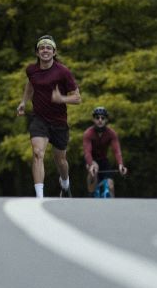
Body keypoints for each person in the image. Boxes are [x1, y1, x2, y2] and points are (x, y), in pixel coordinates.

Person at [16, 35, 81, 198]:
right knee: (37, 153)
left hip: (59, 122)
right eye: (42, 48)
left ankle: (65, 183)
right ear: (37, 53)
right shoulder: (31, 70)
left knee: (61, 161)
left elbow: (78, 98)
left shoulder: (63, 72)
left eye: (48, 48)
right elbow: (31, 84)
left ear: (54, 52)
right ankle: (39, 197)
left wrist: (62, 99)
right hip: (39, 119)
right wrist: (24, 101)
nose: (45, 50)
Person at [83, 107, 127, 197]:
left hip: (104, 160)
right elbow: (87, 152)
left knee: (110, 186)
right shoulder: (88, 133)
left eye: (102, 118)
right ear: (93, 119)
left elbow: (117, 151)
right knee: (95, 168)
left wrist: (120, 165)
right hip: (92, 160)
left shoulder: (111, 133)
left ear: (106, 120)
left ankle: (112, 208)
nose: (100, 120)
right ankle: (91, 193)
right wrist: (91, 165)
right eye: (97, 118)